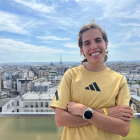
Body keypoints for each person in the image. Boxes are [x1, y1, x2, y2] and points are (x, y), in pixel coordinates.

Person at [50, 20, 134, 140]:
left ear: (106, 44)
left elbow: (123, 129)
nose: (93, 46)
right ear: (82, 50)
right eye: (87, 43)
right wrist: (108, 112)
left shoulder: (119, 80)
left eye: (98, 40)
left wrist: (83, 110)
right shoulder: (71, 75)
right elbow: (60, 119)